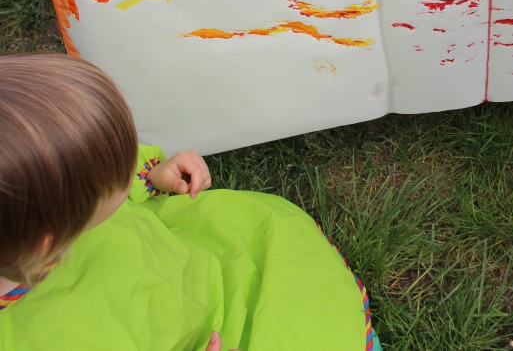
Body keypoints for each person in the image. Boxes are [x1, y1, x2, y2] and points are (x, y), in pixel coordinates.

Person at [0, 52, 380, 351]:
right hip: (191, 336)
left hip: (189, 267)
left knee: (275, 240)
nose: (129, 162)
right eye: (113, 173)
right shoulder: (43, 336)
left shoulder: (28, 213)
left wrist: (150, 175)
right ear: (53, 236)